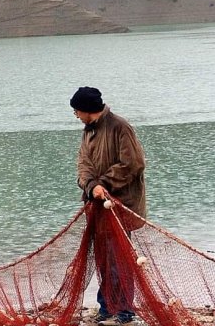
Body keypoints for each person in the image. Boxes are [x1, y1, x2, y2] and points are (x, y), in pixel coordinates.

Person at [70, 87, 146, 326]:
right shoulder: (88, 132)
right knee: (103, 258)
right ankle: (106, 306)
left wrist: (104, 183)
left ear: (87, 109)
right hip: (97, 206)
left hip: (120, 207)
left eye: (77, 111)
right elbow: (83, 165)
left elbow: (132, 164)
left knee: (120, 258)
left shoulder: (119, 127)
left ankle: (123, 311)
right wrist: (91, 185)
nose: (76, 115)